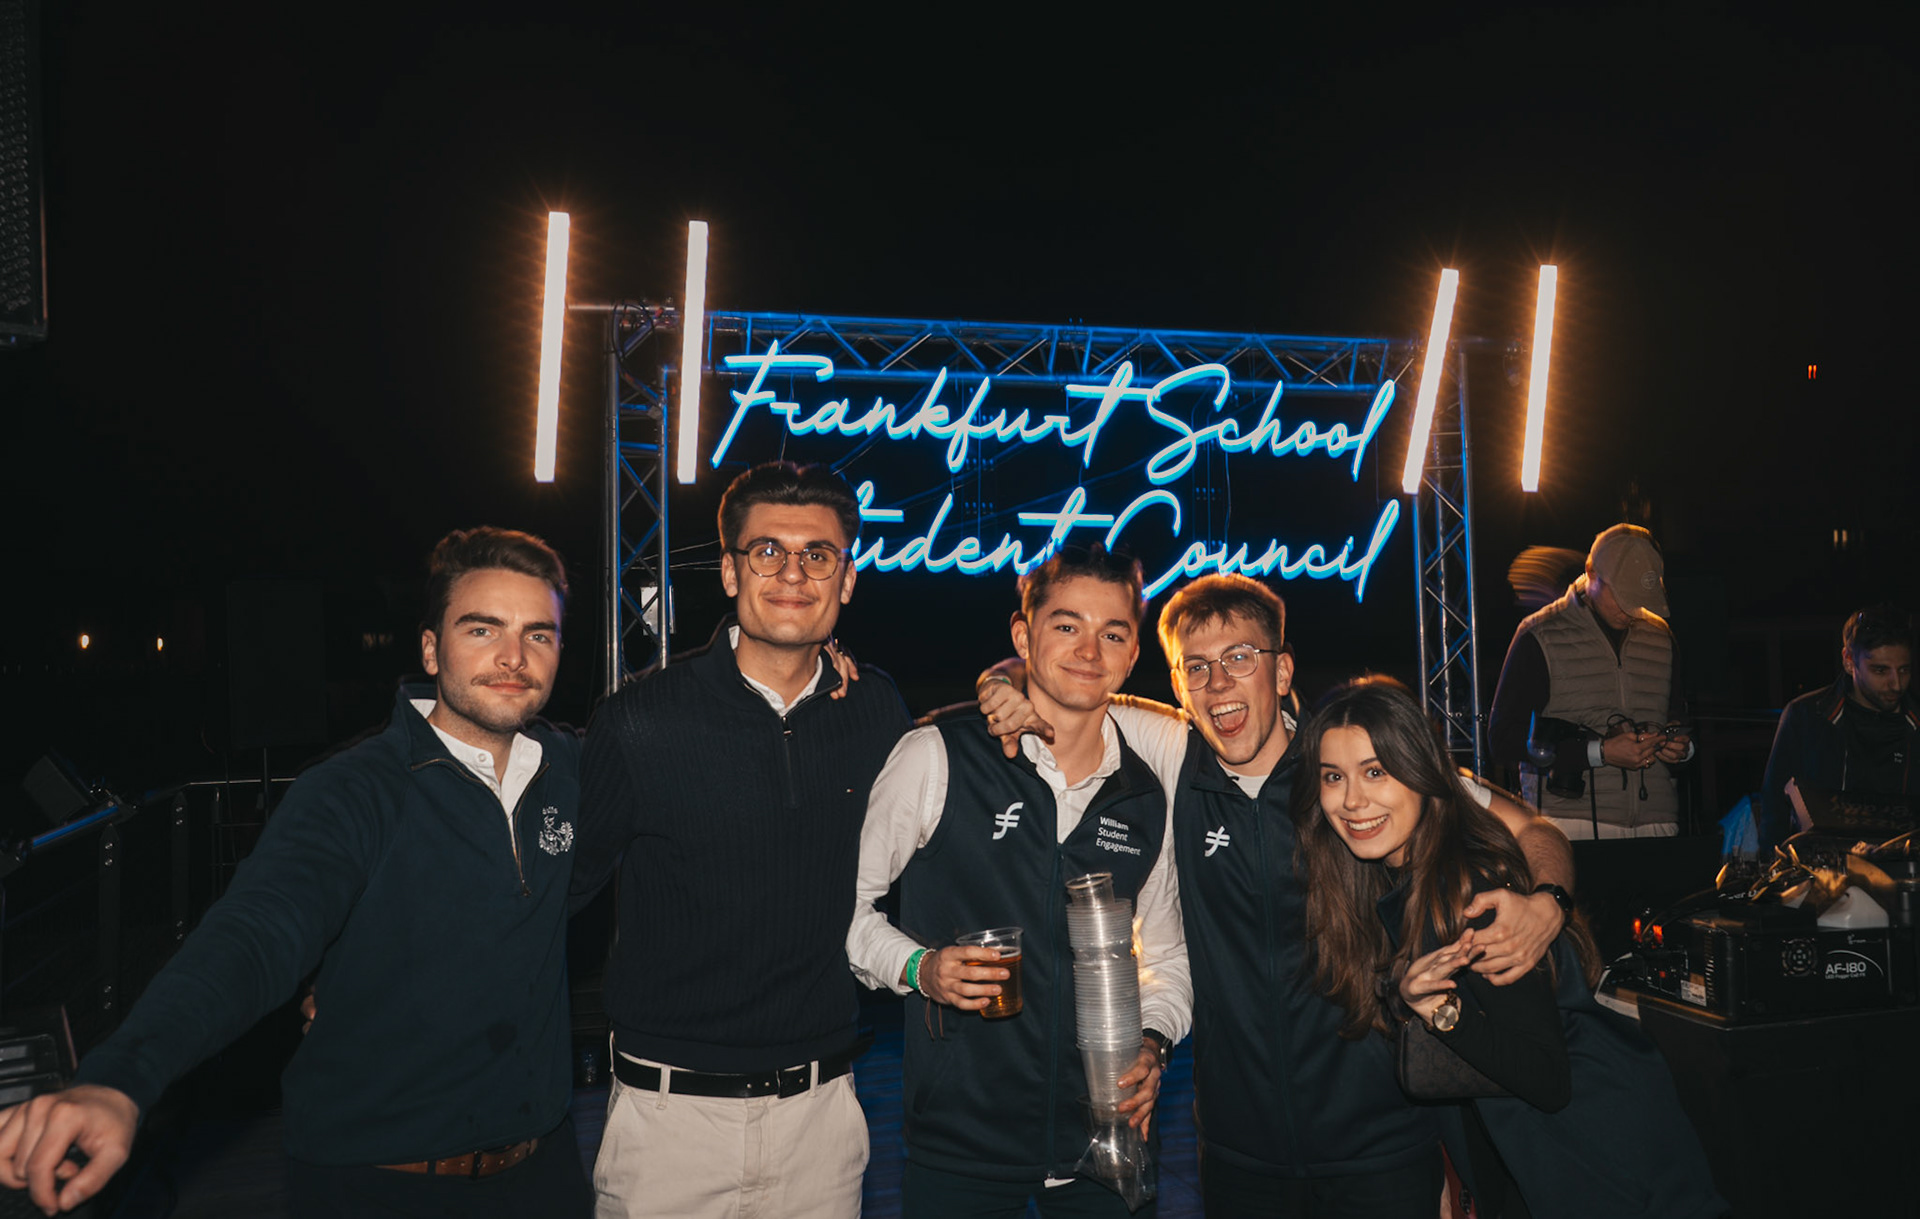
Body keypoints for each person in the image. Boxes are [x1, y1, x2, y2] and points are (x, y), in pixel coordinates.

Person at [0, 528, 594, 1217]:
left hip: (544, 1172)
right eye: (483, 628)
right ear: (431, 649)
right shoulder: (352, 791)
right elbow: (255, 934)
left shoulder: (574, 770)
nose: (513, 656)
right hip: (382, 1183)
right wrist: (120, 1078)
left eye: (539, 634)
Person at [980, 573, 1574, 1218]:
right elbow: (1062, 680)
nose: (1218, 683)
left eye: (1240, 658)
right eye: (1197, 668)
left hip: (1380, 1143)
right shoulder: (1173, 755)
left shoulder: (1349, 765)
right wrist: (999, 682)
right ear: (1178, 686)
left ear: (1282, 671)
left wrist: (1548, 902)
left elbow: (1532, 828)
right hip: (1240, 1155)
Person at [571, 461, 911, 1219]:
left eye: (817, 554)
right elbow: (556, 894)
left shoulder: (876, 709)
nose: (792, 572)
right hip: (669, 1126)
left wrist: (1003, 683)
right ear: (730, 571)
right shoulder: (641, 720)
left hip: (823, 1119)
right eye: (767, 551)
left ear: (847, 579)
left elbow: (952, 778)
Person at [1297, 676, 1724, 1219]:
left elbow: (1546, 1078)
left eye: (1376, 771)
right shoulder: (1394, 881)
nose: (1353, 800)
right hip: (1547, 1158)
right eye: (1333, 776)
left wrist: (1441, 1011)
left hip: (1606, 1162)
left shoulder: (1470, 893)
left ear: (1424, 774)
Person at [847, 543, 1189, 1217]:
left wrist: (1154, 1044)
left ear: (1132, 653)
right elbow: (846, 911)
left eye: (1112, 633)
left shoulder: (1148, 793)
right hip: (962, 1145)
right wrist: (921, 968)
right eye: (1066, 625)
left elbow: (1168, 958)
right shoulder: (938, 756)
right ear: (1023, 636)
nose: (1088, 649)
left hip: (1105, 1145)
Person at [1488, 523, 1691, 839]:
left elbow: (1677, 717)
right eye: (1622, 595)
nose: (1631, 609)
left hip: (1657, 818)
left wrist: (1680, 747)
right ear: (1591, 573)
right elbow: (1502, 740)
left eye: (1639, 598)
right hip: (1567, 823)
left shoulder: (1661, 636)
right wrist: (1600, 752)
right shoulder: (1539, 634)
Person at [1758, 607, 1916, 850]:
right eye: (1880, 670)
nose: (1896, 684)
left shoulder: (1915, 724)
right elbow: (1774, 812)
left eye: (1904, 669)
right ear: (1849, 661)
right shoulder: (1806, 717)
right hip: (1823, 869)